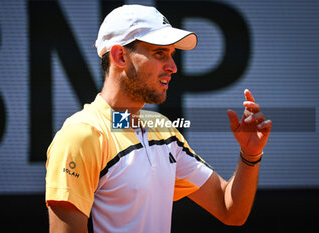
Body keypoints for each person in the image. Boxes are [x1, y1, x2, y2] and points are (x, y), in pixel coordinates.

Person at [45, 4, 272, 233]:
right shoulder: (81, 135)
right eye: (159, 53)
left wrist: (250, 154)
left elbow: (229, 209)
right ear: (120, 56)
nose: (173, 67)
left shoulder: (161, 129)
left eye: (172, 55)